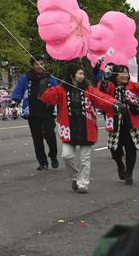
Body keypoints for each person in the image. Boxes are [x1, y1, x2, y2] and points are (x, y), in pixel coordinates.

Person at [39, 61, 115, 194]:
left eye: (83, 73)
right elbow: (47, 97)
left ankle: (83, 183)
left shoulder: (89, 89)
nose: (82, 76)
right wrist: (44, 82)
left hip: (87, 129)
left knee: (85, 158)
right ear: (72, 75)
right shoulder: (61, 89)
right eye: (80, 73)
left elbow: (101, 98)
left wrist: (115, 104)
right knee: (66, 156)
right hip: (69, 130)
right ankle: (75, 177)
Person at [93, 64, 139, 185]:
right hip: (115, 121)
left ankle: (129, 173)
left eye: (127, 72)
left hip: (131, 121)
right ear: (115, 75)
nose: (125, 75)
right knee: (114, 149)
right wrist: (105, 78)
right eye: (122, 72)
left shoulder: (132, 86)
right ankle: (120, 164)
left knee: (131, 148)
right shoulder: (110, 85)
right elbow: (101, 93)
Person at [11, 58, 61, 171]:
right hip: (33, 111)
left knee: (50, 136)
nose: (39, 66)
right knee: (37, 138)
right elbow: (19, 90)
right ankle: (42, 162)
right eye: (37, 64)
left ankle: (53, 156)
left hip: (47, 111)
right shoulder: (26, 77)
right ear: (33, 65)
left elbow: (57, 90)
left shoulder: (50, 77)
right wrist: (15, 100)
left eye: (42, 64)